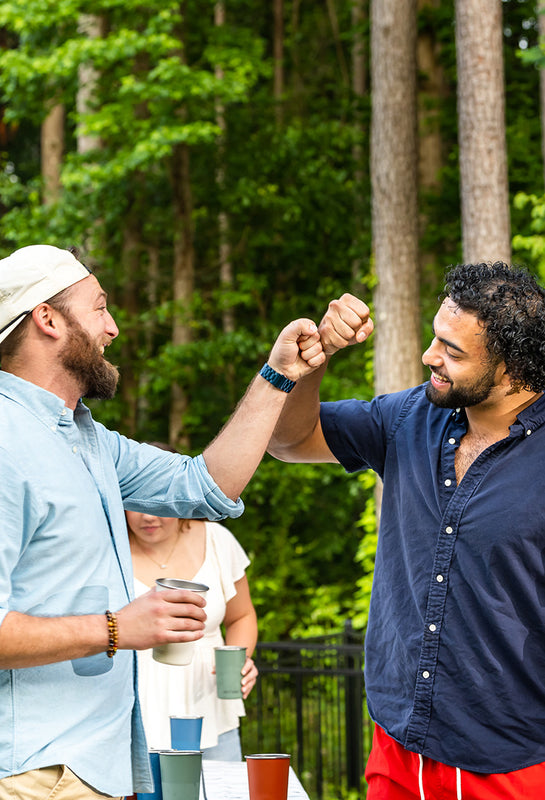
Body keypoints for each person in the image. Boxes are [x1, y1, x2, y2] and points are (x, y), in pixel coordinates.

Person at [0, 244, 326, 800]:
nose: (114, 327)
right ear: (47, 319)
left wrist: (280, 374)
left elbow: (206, 485)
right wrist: (114, 629)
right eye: (100, 308)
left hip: (90, 769)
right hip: (35, 773)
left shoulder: (89, 439)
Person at [267, 261, 545, 800]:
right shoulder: (409, 417)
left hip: (512, 764)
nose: (429, 357)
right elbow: (287, 440)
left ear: (512, 368)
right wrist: (312, 363)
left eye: (453, 351)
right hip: (397, 746)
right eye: (435, 337)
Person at [126, 445, 258, 760]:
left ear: (181, 495)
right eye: (136, 501)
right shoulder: (109, 547)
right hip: (131, 718)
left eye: (158, 500)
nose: (148, 515)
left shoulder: (218, 540)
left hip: (210, 711)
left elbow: (242, 617)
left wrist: (240, 661)